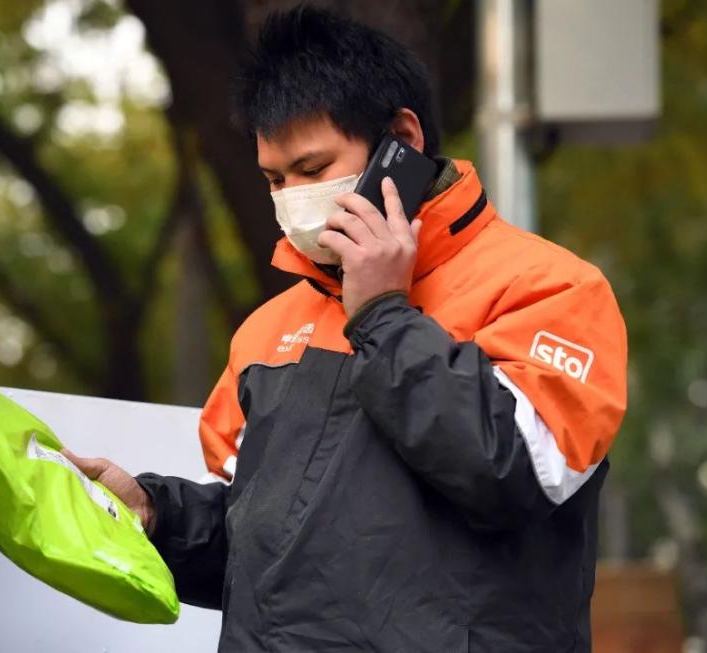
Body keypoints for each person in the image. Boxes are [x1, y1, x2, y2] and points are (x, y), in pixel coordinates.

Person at [62, 6, 627, 651]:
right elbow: (265, 549)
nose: (291, 198)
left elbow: (513, 474)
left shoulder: (551, 290)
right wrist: (155, 513)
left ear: (402, 141)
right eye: (275, 179)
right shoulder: (266, 332)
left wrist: (382, 314)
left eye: (312, 169)